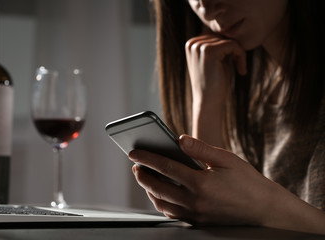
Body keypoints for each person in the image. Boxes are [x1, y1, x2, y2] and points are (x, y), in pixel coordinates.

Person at [128, 0, 325, 235]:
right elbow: (214, 209)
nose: (206, 8)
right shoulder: (248, 85)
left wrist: (265, 207)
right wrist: (206, 102)